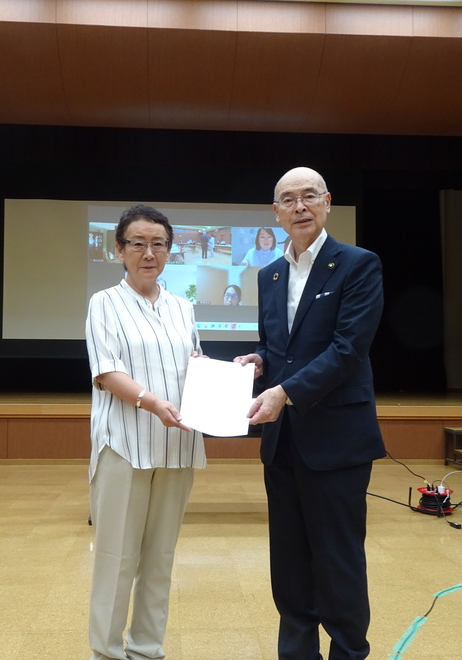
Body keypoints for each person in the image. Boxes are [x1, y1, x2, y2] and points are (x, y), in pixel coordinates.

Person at [234, 167, 385, 660]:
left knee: (338, 561)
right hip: (284, 441)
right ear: (275, 212)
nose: (299, 207)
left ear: (327, 202)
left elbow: (348, 349)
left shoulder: (358, 264)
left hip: (337, 438)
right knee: (290, 564)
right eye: (288, 199)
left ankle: (348, 653)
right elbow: (280, 346)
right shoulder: (269, 274)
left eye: (309, 196)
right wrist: (261, 362)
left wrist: (284, 391)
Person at [85, 204, 206, 660]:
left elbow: (194, 367)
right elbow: (106, 372)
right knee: (116, 559)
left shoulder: (183, 308)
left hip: (177, 446)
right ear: (119, 250)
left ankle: (146, 650)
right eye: (138, 243)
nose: (148, 253)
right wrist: (153, 402)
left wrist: (229, 376)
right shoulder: (104, 303)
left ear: (170, 251)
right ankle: (106, 653)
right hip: (124, 446)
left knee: (160, 559)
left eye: (158, 244)